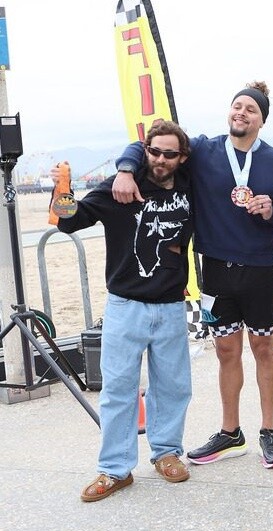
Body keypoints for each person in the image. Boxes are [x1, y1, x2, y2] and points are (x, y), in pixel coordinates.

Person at [112, 82, 273, 469]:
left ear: (262, 120)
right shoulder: (204, 150)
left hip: (260, 270)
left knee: (264, 348)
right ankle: (230, 432)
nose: (241, 113)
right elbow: (149, 144)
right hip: (216, 270)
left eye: (251, 109)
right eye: (237, 106)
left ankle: (268, 430)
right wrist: (124, 170)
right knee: (226, 352)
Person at [51, 120, 194, 501]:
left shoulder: (189, 184)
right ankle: (115, 469)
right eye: (154, 151)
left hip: (170, 305)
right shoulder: (120, 189)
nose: (160, 159)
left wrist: (126, 164)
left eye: (169, 154)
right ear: (146, 150)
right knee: (118, 389)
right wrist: (61, 190)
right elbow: (69, 221)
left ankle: (167, 453)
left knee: (173, 386)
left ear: (182, 157)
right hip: (125, 305)